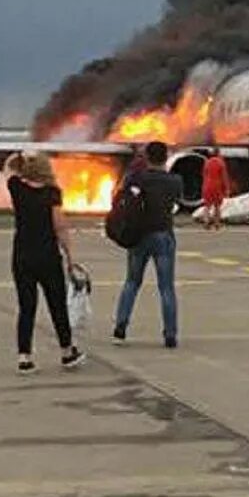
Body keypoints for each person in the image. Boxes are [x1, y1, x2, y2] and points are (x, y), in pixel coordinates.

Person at [3, 152, 85, 373]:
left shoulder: (17, 189)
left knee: (26, 307)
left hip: (22, 255)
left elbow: (7, 168)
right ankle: (67, 352)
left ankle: (24, 357)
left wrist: (18, 155)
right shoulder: (52, 193)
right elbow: (60, 227)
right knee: (57, 306)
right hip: (48, 255)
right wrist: (70, 257)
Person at [112, 140, 183, 348]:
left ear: (147, 157)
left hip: (139, 235)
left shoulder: (136, 178)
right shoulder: (175, 181)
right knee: (166, 287)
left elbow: (122, 194)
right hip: (163, 235)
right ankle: (170, 334)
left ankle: (120, 327)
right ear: (166, 157)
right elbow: (176, 201)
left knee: (132, 282)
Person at [200, 147, 231, 231]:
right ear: (218, 153)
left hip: (206, 185)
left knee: (207, 205)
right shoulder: (221, 163)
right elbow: (224, 177)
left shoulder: (207, 162)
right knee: (217, 206)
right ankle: (217, 224)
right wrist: (227, 189)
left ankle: (206, 222)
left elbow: (204, 175)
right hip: (217, 186)